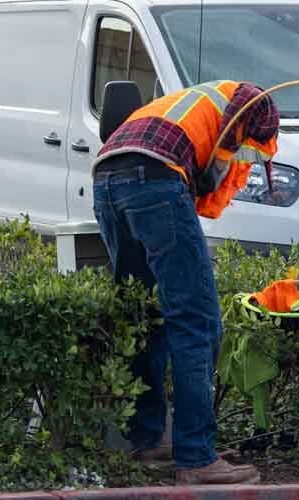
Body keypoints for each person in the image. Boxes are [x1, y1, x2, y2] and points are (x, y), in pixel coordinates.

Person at [90, 80, 279, 485]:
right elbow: (223, 153)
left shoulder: (190, 103)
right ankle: (197, 456)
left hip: (107, 180)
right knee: (197, 321)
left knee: (144, 316)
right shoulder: (251, 102)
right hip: (155, 179)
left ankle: (148, 439)